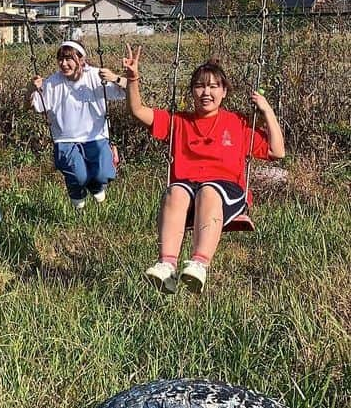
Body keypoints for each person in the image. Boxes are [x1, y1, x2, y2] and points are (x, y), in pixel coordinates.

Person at [122, 46, 285, 294]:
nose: (206, 92)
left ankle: (198, 264)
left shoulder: (238, 123)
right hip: (189, 190)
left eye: (213, 87)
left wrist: (267, 110)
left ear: (224, 91)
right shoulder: (179, 122)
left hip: (225, 190)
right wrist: (133, 78)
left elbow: (277, 152)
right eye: (199, 86)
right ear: (192, 91)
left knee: (208, 191)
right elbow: (138, 111)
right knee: (175, 191)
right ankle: (167, 265)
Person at [30, 40, 126, 210]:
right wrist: (31, 89)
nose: (64, 64)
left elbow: (128, 90)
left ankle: (96, 185)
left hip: (96, 136)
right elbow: (34, 106)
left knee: (104, 174)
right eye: (60, 59)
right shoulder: (52, 82)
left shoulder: (97, 76)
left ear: (81, 60)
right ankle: (77, 193)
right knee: (79, 177)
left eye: (69, 59)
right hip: (65, 139)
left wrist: (116, 78)